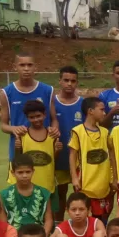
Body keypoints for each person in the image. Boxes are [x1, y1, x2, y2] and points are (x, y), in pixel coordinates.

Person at [0, 53, 57, 170]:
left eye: (30, 65)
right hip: (19, 147)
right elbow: (3, 126)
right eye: (22, 65)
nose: (26, 69)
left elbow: (54, 119)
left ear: (35, 67)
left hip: (44, 148)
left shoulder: (48, 90)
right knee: (21, 183)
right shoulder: (6, 92)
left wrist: (54, 130)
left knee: (45, 183)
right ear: (15, 67)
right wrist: (14, 129)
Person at [69, 96, 117, 224]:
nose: (104, 113)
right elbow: (72, 155)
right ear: (90, 111)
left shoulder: (105, 132)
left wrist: (115, 178)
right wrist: (74, 177)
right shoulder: (78, 132)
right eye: (101, 109)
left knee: (104, 216)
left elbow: (112, 155)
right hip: (86, 184)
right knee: (86, 217)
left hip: (103, 183)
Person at [15, 100, 60, 214]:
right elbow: (18, 160)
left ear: (45, 115)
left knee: (48, 215)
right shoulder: (23, 135)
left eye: (38, 116)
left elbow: (53, 159)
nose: (36, 119)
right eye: (32, 117)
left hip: (48, 184)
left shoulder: (52, 134)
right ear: (27, 118)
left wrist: (57, 150)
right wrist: (17, 148)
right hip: (28, 185)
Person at [52, 65, 84, 220]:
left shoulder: (83, 104)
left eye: (73, 81)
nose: (69, 84)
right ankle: (59, 224)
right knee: (61, 193)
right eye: (66, 80)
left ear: (77, 83)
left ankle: (83, 225)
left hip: (80, 161)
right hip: (59, 158)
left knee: (82, 193)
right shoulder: (51, 103)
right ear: (60, 81)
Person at [0, 154, 53, 236]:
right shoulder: (4, 194)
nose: (24, 176)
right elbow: (3, 222)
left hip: (38, 235)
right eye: (20, 172)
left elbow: (48, 220)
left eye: (28, 172)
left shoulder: (44, 193)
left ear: (33, 171)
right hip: (13, 236)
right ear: (13, 173)